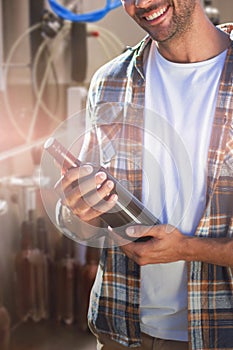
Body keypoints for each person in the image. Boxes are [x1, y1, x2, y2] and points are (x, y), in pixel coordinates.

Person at [56, 1, 233, 349]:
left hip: (219, 334)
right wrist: (77, 209)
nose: (142, 3)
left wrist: (187, 248)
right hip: (120, 330)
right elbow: (80, 224)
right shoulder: (110, 82)